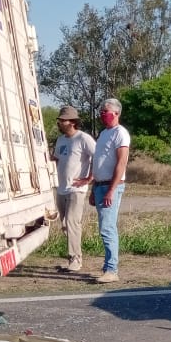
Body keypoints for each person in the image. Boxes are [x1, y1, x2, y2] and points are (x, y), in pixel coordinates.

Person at [89, 98, 131, 284]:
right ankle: (108, 267)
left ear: (116, 113)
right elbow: (99, 162)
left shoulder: (120, 133)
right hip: (100, 185)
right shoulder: (104, 133)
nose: (102, 115)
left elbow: (121, 163)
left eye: (105, 112)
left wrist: (111, 190)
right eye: (101, 112)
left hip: (110, 186)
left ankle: (112, 270)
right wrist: (93, 188)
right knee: (105, 227)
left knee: (108, 228)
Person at [51, 106, 95, 272]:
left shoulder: (83, 138)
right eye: (60, 120)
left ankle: (76, 258)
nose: (60, 122)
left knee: (72, 222)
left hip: (77, 189)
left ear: (73, 122)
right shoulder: (61, 140)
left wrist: (90, 178)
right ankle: (71, 258)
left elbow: (97, 156)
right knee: (64, 224)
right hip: (61, 188)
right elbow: (56, 159)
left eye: (64, 120)